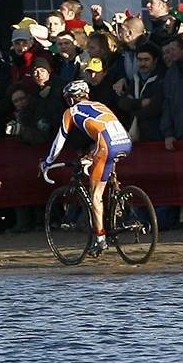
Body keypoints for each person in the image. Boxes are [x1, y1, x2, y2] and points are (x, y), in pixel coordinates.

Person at [39, 79, 133, 254]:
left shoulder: (71, 111)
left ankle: (100, 239)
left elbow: (60, 140)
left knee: (95, 195)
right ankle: (117, 198)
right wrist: (90, 156)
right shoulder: (100, 105)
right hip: (125, 142)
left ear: (71, 99)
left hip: (107, 145)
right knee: (97, 161)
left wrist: (47, 162)